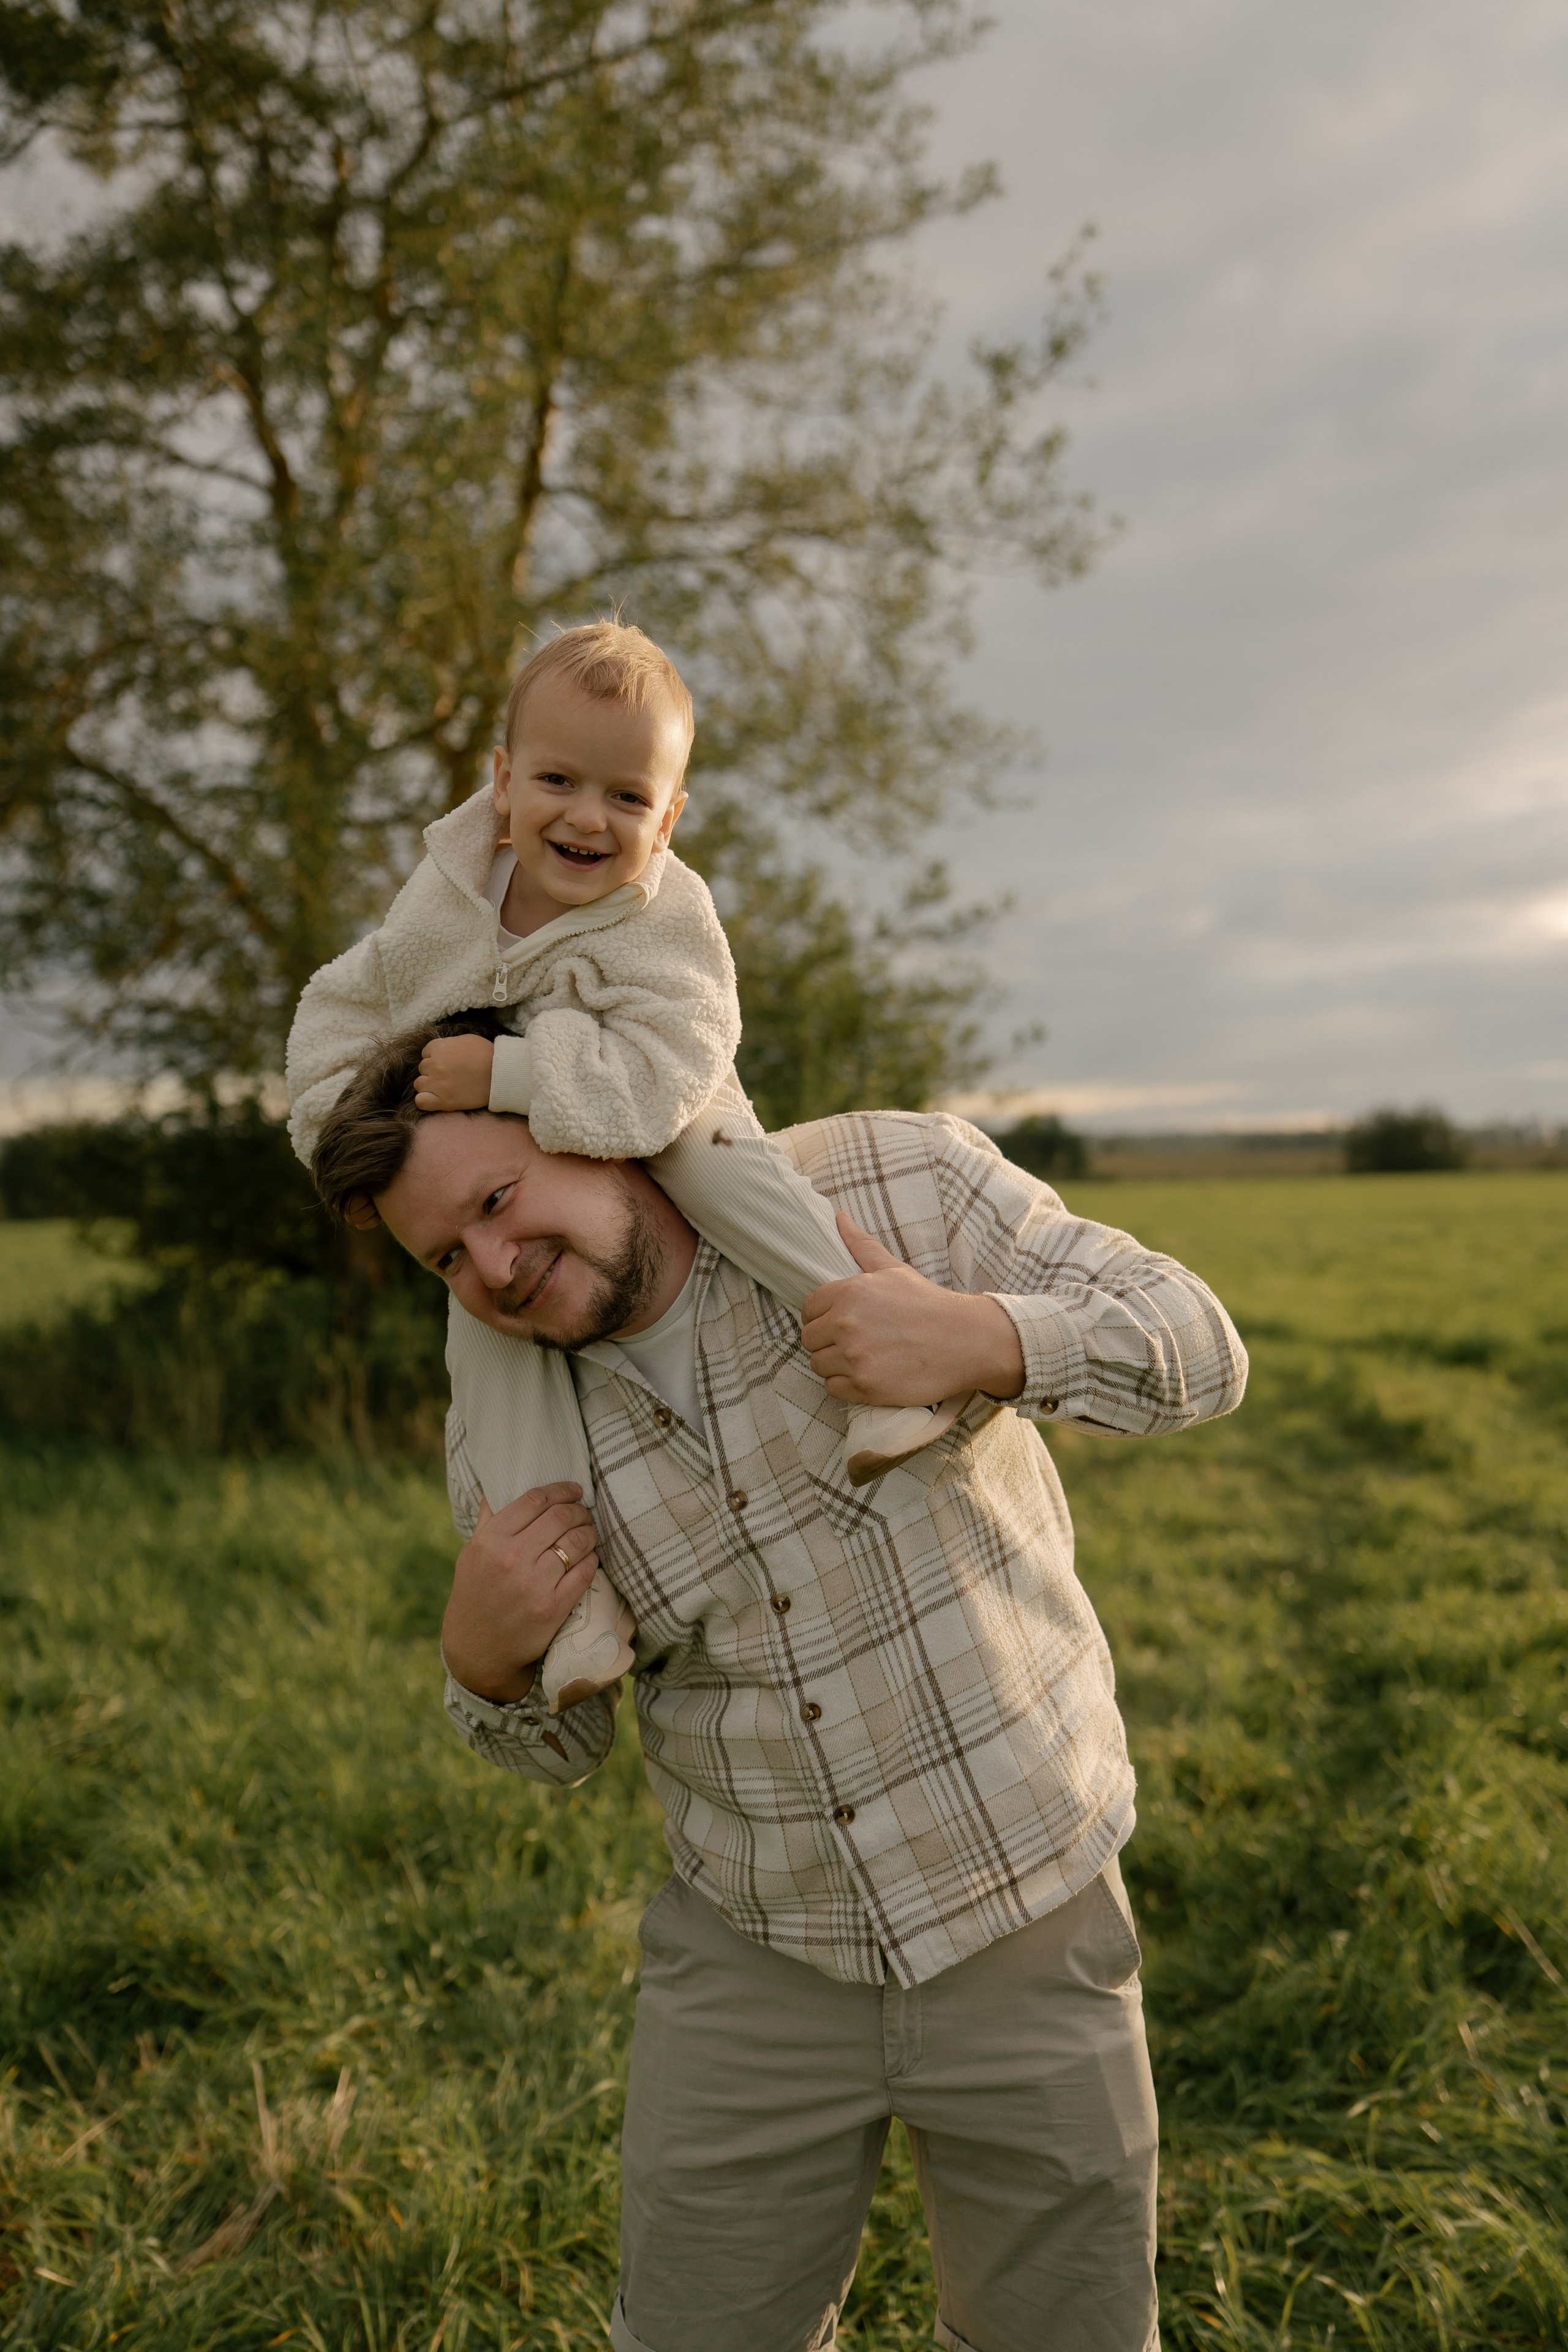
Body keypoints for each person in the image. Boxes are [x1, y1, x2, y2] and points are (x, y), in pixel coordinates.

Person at [309, 1030, 1249, 2352]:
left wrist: (980, 1338)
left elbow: (1200, 1347)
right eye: (445, 1261)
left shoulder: (896, 1182)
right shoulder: (506, 1437)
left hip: (1028, 1915)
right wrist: (481, 1669)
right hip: (754, 1954)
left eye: (498, 1201)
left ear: (590, 1121)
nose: (494, 1268)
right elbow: (560, 1749)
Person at [284, 620, 965, 1714]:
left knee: (718, 1163)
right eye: (558, 780)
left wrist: (511, 1072)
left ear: (670, 818)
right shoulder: (446, 901)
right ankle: (573, 1604)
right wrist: (351, 1139)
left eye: (627, 796)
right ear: (503, 783)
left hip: (654, 1100)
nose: (587, 818)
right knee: (486, 1338)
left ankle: (882, 1352)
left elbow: (677, 1066)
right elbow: (342, 1005)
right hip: (522, 1160)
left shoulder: (666, 915)